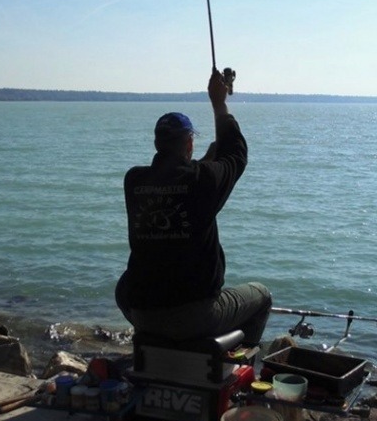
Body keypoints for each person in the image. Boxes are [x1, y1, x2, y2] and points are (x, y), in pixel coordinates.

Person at [115, 69, 271, 347]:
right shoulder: (204, 181)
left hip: (141, 311)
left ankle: (157, 343)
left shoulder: (134, 180)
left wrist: (202, 162)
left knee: (123, 285)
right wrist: (218, 103)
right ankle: (239, 364)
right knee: (261, 296)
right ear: (189, 143)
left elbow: (174, 180)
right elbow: (236, 154)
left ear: (156, 143)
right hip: (197, 315)